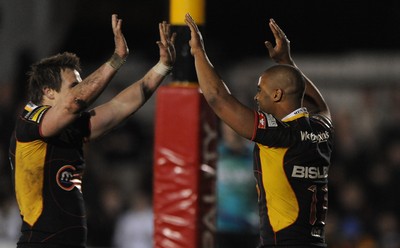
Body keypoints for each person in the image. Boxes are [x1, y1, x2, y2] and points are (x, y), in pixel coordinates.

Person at [8, 14, 176, 248]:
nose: (82, 90)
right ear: (48, 91)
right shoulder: (30, 121)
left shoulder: (69, 127)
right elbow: (72, 103)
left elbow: (120, 107)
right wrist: (115, 60)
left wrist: (162, 67)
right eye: (74, 86)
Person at [185, 13, 334, 248]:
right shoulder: (322, 129)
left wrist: (197, 52)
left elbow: (218, 98)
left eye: (260, 90)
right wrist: (286, 61)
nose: (256, 96)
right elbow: (319, 105)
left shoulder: (279, 136)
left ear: (277, 94)